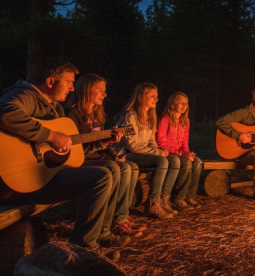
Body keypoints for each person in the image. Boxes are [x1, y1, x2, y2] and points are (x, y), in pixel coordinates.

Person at [0, 58, 120, 252]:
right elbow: (3, 111)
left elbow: (65, 144)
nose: (72, 89)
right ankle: (83, 248)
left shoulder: (54, 108)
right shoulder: (26, 96)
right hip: (23, 181)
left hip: (46, 171)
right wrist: (50, 135)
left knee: (113, 168)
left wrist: (97, 142)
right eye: (68, 83)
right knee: (100, 177)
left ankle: (102, 233)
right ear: (50, 82)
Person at [65, 73, 145, 239]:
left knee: (131, 166)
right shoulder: (72, 114)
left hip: (94, 157)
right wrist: (104, 148)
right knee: (119, 168)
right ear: (86, 91)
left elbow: (99, 143)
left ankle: (119, 218)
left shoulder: (97, 114)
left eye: (105, 91)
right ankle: (110, 225)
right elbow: (76, 150)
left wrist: (111, 151)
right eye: (100, 90)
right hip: (79, 161)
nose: (105, 94)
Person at [116, 83, 179, 220]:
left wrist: (158, 150)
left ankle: (163, 200)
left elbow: (151, 141)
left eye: (156, 96)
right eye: (152, 96)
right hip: (126, 154)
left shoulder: (150, 116)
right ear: (141, 97)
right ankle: (152, 204)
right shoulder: (130, 116)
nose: (156, 99)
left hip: (141, 154)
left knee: (173, 160)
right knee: (161, 160)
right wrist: (157, 153)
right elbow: (132, 145)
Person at [157, 92, 204, 210]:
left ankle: (189, 196)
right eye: (181, 103)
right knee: (185, 162)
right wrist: (182, 154)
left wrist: (187, 153)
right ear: (173, 104)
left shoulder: (185, 120)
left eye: (186, 103)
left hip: (179, 153)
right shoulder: (165, 119)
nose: (184, 106)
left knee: (197, 162)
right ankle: (178, 197)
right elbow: (161, 142)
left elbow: (184, 142)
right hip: (168, 152)